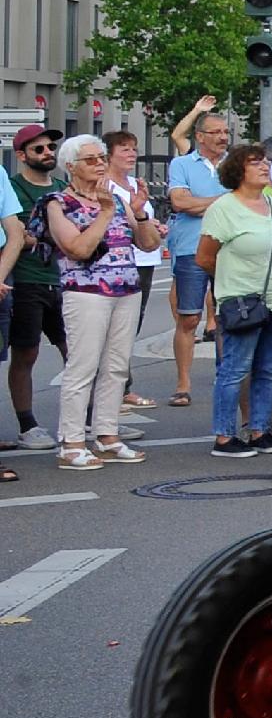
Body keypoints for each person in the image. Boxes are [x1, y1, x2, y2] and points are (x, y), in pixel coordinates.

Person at [43, 135, 157, 470]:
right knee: (83, 366)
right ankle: (71, 441)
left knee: (117, 366)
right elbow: (76, 249)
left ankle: (107, 435)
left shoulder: (118, 201)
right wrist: (106, 211)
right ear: (71, 167)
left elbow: (148, 244)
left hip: (126, 289)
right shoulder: (58, 202)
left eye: (101, 158)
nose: (99, 164)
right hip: (86, 292)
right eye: (90, 159)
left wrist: (139, 214)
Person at [197, 140, 272, 459]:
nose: (264, 166)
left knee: (267, 368)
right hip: (242, 300)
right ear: (239, 170)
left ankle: (259, 430)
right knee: (235, 369)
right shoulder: (224, 208)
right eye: (255, 162)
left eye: (265, 161)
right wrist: (232, 281)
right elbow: (205, 258)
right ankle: (224, 435)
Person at [166, 97, 229, 408]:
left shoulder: (234, 165)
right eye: (216, 132)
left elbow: (244, 200)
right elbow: (180, 203)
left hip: (229, 249)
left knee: (227, 316)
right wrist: (224, 201)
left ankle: (226, 374)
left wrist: (200, 201)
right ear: (200, 136)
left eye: (226, 132)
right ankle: (182, 383)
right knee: (189, 318)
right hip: (191, 248)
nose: (223, 137)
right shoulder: (182, 163)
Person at [4, 125, 60, 444]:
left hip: (65, 280)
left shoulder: (65, 186)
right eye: (39, 149)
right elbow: (18, 236)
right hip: (26, 281)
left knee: (77, 352)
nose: (48, 152)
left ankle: (95, 419)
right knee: (26, 353)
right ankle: (28, 426)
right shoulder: (12, 187)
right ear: (22, 156)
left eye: (50, 147)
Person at [106, 130, 164, 410]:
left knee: (132, 326)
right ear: (109, 154)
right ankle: (117, 388)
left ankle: (121, 386)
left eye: (133, 149)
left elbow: (144, 219)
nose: (131, 154)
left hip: (145, 257)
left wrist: (155, 227)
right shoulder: (105, 185)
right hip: (120, 261)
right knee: (116, 328)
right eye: (124, 149)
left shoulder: (134, 182)